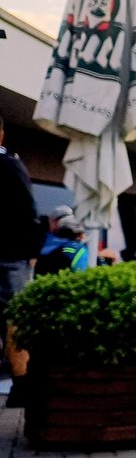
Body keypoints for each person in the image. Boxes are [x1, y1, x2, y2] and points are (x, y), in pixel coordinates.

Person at [1, 114, 42, 398]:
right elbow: (29, 211)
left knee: (16, 319)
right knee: (16, 318)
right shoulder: (10, 165)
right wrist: (31, 253)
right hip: (11, 255)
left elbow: (28, 212)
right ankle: (22, 384)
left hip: (11, 255)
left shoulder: (9, 165)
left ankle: (22, 383)